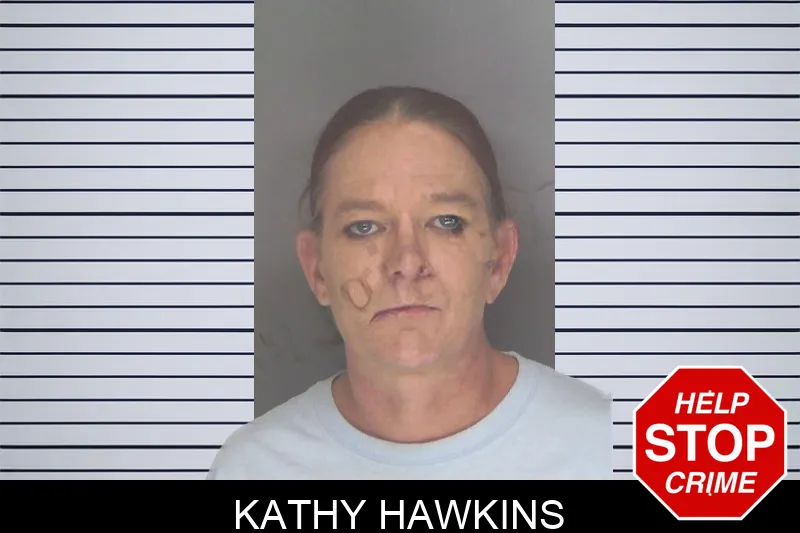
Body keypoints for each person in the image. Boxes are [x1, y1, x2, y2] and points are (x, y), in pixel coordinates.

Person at [207, 86, 612, 480]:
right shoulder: (251, 471)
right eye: (364, 227)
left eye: (447, 222)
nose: (406, 262)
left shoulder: (607, 452)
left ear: (500, 260)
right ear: (317, 270)